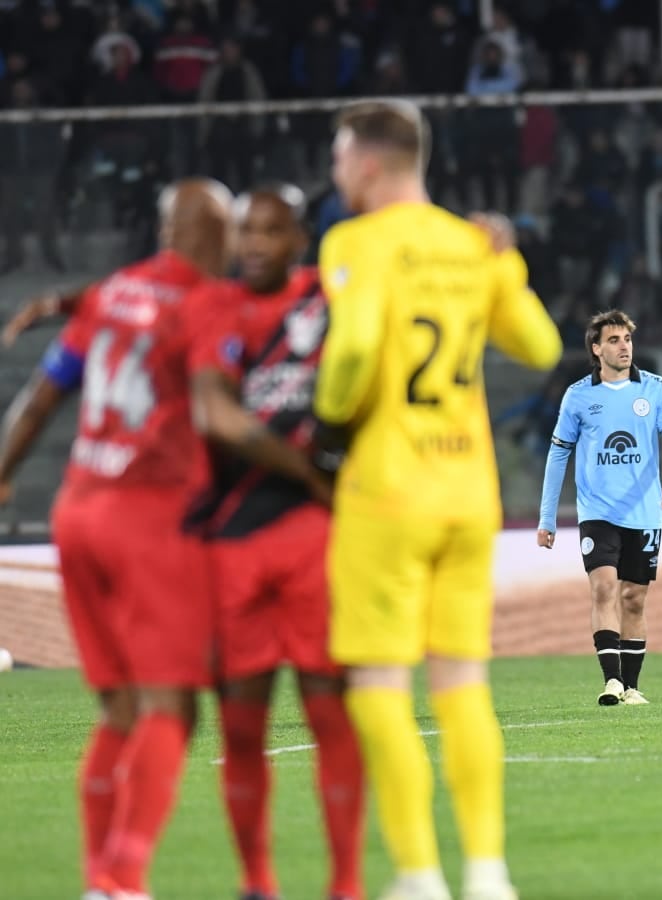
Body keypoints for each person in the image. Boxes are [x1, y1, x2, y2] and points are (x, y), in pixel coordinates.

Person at [314, 100, 563, 900]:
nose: (334, 170)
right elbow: (542, 346)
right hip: (468, 493)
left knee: (381, 685)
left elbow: (351, 351)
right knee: (462, 683)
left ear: (372, 163)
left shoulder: (354, 243)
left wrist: (326, 422)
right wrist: (508, 265)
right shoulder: (474, 243)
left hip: (387, 490)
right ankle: (489, 875)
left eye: (340, 156)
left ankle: (419, 876)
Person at [0, 179, 234, 900]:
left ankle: (102, 883)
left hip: (79, 516)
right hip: (147, 522)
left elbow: (40, 398)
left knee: (120, 711)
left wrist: (2, 476)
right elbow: (218, 415)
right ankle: (125, 879)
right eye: (222, 229)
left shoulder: (113, 294)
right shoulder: (205, 306)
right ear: (199, 233)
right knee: (171, 705)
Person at [185, 186, 364, 900]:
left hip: (314, 543)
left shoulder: (332, 297)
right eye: (244, 232)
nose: (254, 243)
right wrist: (316, 475)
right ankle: (256, 882)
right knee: (240, 723)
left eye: (270, 231)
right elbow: (217, 415)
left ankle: (345, 884)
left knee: (330, 712)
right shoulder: (212, 307)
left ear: (298, 238)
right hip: (233, 538)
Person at [537, 309, 662, 706]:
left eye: (627, 339)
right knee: (604, 588)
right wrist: (546, 518)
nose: (624, 347)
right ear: (596, 347)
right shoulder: (578, 395)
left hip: (644, 513)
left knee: (633, 598)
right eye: (614, 340)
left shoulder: (655, 388)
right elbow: (558, 457)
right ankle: (612, 682)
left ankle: (633, 687)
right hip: (597, 512)